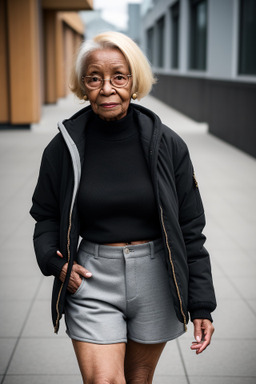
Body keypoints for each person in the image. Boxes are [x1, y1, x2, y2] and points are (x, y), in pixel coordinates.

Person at [30, 31, 216, 383]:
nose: (106, 88)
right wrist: (55, 264)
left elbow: (191, 228)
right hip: (92, 278)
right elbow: (45, 215)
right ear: (84, 86)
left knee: (139, 379)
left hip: (157, 276)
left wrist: (202, 303)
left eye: (119, 76)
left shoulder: (167, 145)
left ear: (134, 82)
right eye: (94, 77)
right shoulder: (63, 148)